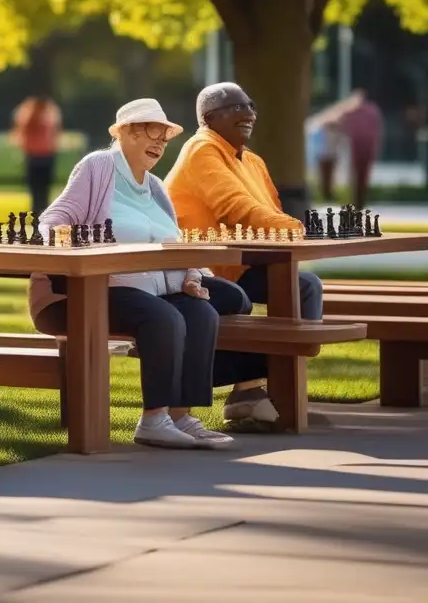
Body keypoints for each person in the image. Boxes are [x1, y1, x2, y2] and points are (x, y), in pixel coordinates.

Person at [30, 99, 254, 449]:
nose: (159, 143)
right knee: (164, 317)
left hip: (153, 287)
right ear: (125, 133)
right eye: (151, 131)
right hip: (85, 290)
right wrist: (61, 247)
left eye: (165, 137)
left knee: (203, 310)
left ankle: (181, 417)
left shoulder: (155, 187)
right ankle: (153, 420)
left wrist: (193, 276)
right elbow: (51, 221)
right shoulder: (98, 167)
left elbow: (175, 243)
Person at [165, 82, 324, 425]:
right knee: (262, 294)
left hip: (240, 263)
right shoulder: (202, 149)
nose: (249, 113)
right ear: (209, 118)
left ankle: (255, 390)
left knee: (305, 286)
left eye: (250, 106)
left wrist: (290, 226)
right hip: (200, 268)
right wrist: (297, 228)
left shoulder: (252, 161)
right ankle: (255, 389)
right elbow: (235, 207)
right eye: (237, 107)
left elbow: (268, 210)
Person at [11, 95, 62, 216]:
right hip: (38, 156)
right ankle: (40, 215)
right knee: (39, 191)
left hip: (41, 156)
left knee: (40, 190)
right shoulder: (38, 115)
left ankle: (40, 216)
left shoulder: (45, 115)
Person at [338, 89, 383, 210]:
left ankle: (359, 204)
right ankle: (356, 203)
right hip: (357, 149)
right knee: (356, 178)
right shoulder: (357, 111)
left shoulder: (368, 111)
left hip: (363, 149)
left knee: (361, 178)